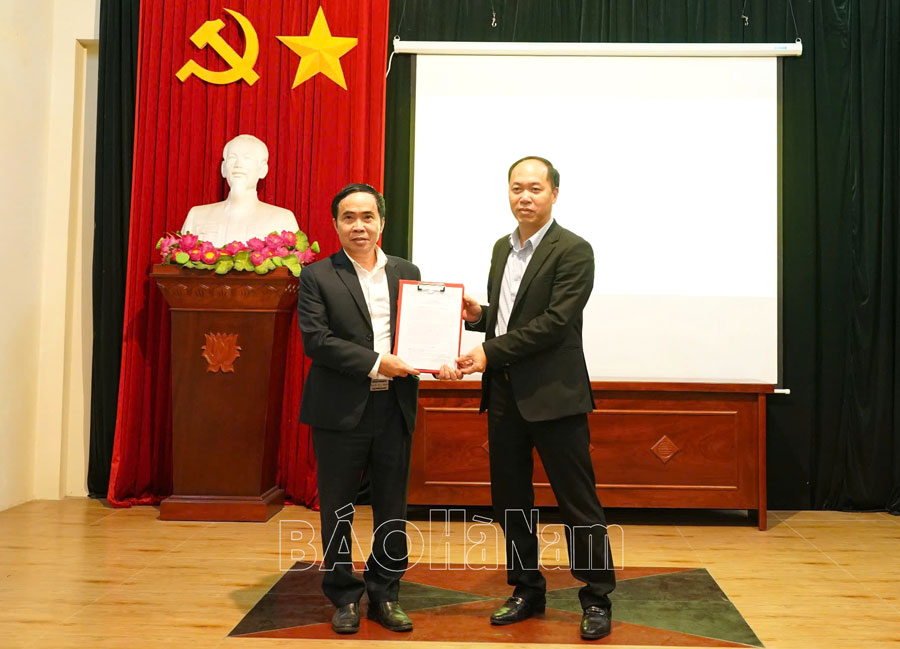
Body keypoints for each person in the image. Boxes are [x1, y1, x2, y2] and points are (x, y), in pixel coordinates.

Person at [453, 156, 616, 640]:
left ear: (554, 194)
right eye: (517, 188)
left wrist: (487, 352)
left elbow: (554, 324)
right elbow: (511, 319)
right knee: (511, 500)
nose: (525, 197)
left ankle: (597, 596)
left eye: (535, 188)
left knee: (577, 501)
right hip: (504, 394)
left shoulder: (574, 250)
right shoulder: (502, 249)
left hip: (554, 395)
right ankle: (527, 588)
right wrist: (478, 316)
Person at [296, 183, 422, 635]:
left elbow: (420, 330)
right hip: (339, 409)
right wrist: (376, 362)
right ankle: (344, 596)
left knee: (392, 507)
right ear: (335, 225)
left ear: (381, 222)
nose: (359, 226)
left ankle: (386, 594)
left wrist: (437, 355)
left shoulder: (407, 272)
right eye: (348, 217)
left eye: (367, 217)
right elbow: (317, 341)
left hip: (394, 406)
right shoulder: (317, 276)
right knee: (337, 507)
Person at [181, 134, 299, 246]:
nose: (238, 164)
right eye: (232, 158)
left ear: (263, 170)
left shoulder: (283, 219)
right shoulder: (197, 216)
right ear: (223, 168)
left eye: (247, 158)